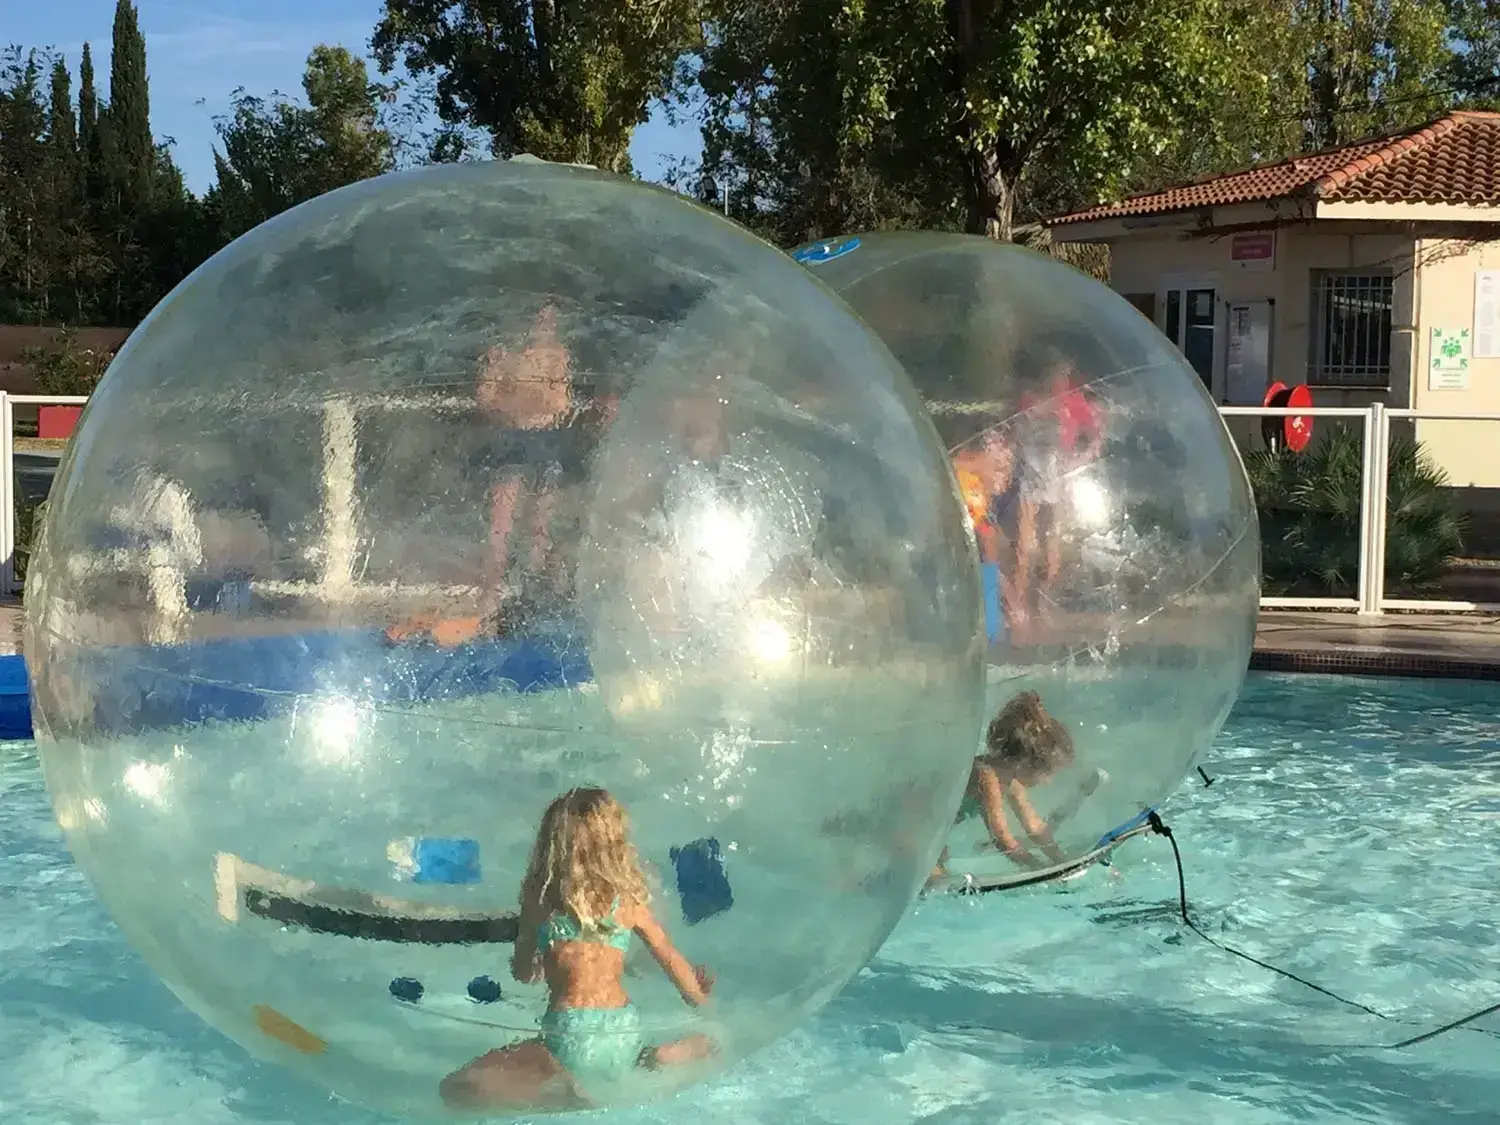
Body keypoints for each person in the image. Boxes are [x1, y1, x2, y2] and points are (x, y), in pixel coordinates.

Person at [439, 788, 715, 1112]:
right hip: (624, 1028)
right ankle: (654, 1057)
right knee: (631, 1057)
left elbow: (525, 973)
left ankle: (565, 1088)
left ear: (551, 845)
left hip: (570, 1034)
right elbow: (667, 954)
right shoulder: (627, 902)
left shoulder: (541, 900)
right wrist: (698, 997)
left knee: (456, 1087)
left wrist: (534, 961)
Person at [928, 690, 1089, 884]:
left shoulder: (1011, 781)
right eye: (1048, 774)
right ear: (1026, 764)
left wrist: (1061, 860)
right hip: (912, 825)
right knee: (935, 882)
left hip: (931, 831)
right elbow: (1002, 839)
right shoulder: (987, 776)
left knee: (938, 869)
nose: (1048, 782)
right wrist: (1040, 869)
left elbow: (1035, 828)